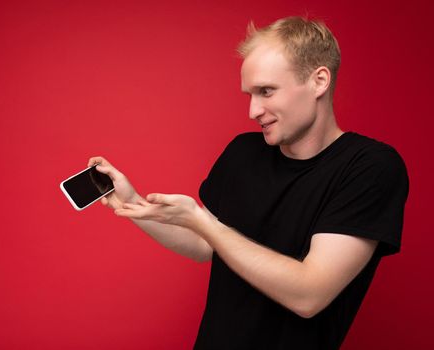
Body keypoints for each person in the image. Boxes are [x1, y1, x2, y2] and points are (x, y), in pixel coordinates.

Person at [87, 16, 409, 349]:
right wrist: (131, 199)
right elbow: (204, 246)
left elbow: (310, 294)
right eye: (249, 94)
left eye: (266, 91)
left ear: (319, 81)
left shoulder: (369, 167)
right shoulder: (242, 152)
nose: (253, 110)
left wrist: (203, 223)